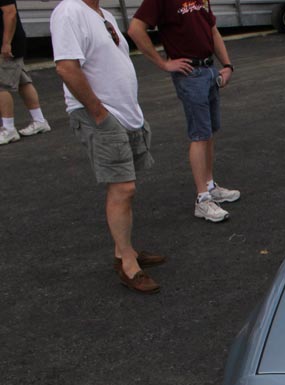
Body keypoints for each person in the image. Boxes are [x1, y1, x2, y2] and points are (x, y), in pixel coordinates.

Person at [51, 0, 162, 294]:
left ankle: (122, 250)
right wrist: (99, 113)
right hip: (101, 116)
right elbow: (65, 67)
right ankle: (127, 264)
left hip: (124, 114)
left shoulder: (104, 14)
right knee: (123, 188)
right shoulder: (69, 11)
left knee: (125, 187)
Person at [128, 0, 240, 223]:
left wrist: (227, 65)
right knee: (199, 134)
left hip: (208, 70)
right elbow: (135, 29)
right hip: (190, 75)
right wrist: (163, 63)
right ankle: (202, 199)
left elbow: (212, 29)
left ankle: (210, 186)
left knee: (208, 131)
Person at [1, 0, 50, 144]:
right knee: (23, 81)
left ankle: (9, 130)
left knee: (1, 86)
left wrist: (6, 43)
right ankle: (39, 121)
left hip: (7, 46)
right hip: (11, 43)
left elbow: (10, 13)